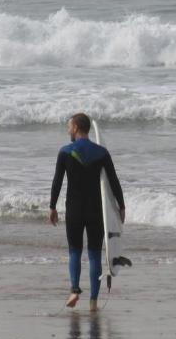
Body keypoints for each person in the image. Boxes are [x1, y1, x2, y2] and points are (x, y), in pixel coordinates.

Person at [50, 112, 125, 311]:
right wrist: (121, 206)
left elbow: (57, 182)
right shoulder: (101, 152)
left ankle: (74, 290)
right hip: (95, 211)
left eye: (69, 127)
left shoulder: (65, 151)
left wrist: (52, 207)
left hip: (74, 209)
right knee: (93, 255)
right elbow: (113, 181)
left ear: (76, 128)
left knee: (74, 251)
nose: (68, 130)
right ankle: (93, 302)